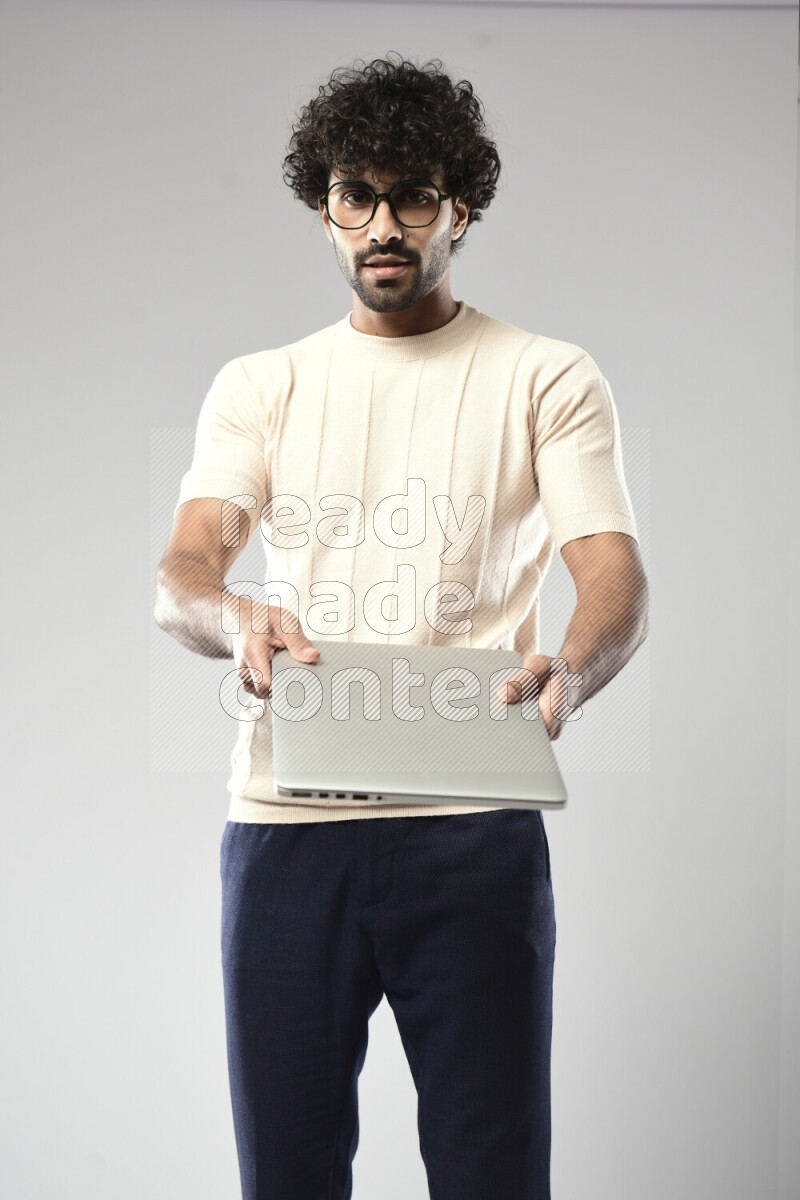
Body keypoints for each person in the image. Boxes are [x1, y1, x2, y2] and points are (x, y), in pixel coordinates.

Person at [154, 53, 648, 1200]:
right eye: (354, 196)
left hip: (472, 826)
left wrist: (571, 669)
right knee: (287, 1175)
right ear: (323, 210)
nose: (383, 223)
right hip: (288, 824)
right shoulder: (261, 385)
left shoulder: (543, 377)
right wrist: (231, 616)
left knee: (490, 1174)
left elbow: (611, 570)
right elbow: (181, 570)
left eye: (411, 195)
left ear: (458, 209)